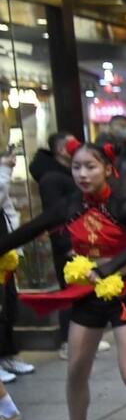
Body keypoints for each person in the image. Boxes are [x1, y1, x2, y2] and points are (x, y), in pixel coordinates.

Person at [0, 140, 126, 420]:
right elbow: (28, 230)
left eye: (90, 167)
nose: (82, 173)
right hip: (85, 295)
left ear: (107, 169)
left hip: (123, 291)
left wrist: (108, 267)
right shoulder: (69, 204)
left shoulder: (123, 202)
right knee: (76, 369)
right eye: (76, 167)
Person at [30, 131, 104, 360]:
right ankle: (67, 341)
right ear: (63, 150)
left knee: (84, 290)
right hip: (67, 243)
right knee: (70, 291)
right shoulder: (52, 178)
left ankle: (85, 337)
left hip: (84, 240)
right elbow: (55, 216)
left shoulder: (68, 175)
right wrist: (66, 244)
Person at [0, 149, 33, 379]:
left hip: (5, 253)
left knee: (9, 305)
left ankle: (8, 356)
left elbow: (7, 209)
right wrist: (4, 171)